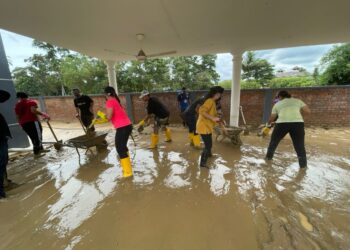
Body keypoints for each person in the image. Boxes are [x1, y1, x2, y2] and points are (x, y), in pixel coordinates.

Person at [265, 90, 311, 168]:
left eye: (278, 97)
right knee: (299, 146)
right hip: (298, 124)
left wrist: (268, 124)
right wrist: (299, 118)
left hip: (281, 124)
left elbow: (272, 117)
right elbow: (308, 111)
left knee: (273, 142)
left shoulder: (277, 104)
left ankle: (268, 159)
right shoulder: (298, 101)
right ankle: (303, 166)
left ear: (280, 96)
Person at [104, 86, 133, 177]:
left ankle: (128, 172)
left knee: (120, 148)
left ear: (106, 94)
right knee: (122, 146)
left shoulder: (110, 101)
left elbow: (109, 117)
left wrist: (102, 117)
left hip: (123, 127)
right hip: (127, 126)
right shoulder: (116, 100)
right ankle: (128, 166)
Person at [196, 86, 224, 168]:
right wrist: (213, 118)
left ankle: (209, 155)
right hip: (203, 126)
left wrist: (217, 117)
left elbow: (211, 113)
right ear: (213, 94)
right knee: (208, 145)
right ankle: (202, 163)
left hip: (206, 126)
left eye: (220, 94)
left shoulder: (212, 102)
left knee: (209, 143)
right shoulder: (210, 101)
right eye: (218, 94)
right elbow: (201, 111)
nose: (219, 96)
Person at [15, 92, 50, 156]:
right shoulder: (31, 102)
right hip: (33, 122)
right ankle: (37, 152)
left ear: (19, 97)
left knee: (32, 137)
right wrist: (44, 114)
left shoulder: (17, 105)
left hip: (24, 124)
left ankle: (40, 149)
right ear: (26, 96)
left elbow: (17, 116)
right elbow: (33, 111)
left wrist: (20, 124)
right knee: (38, 136)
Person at [0, 90, 11, 199]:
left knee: (3, 161)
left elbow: (5, 95)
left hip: (2, 137)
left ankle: (5, 182)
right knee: (2, 161)